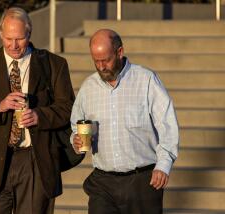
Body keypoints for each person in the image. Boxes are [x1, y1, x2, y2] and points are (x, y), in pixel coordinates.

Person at [0, 7, 75, 214]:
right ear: (0, 34)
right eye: (8, 38)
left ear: (29, 33)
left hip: (35, 161)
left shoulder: (54, 64)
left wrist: (39, 115)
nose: (14, 45)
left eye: (19, 39)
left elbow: (67, 108)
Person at [70, 29, 179, 214]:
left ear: (119, 52)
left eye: (106, 60)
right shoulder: (88, 87)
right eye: (96, 61)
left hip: (142, 181)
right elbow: (75, 125)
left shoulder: (146, 80)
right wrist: (75, 139)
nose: (101, 66)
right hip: (102, 183)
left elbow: (167, 125)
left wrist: (163, 165)